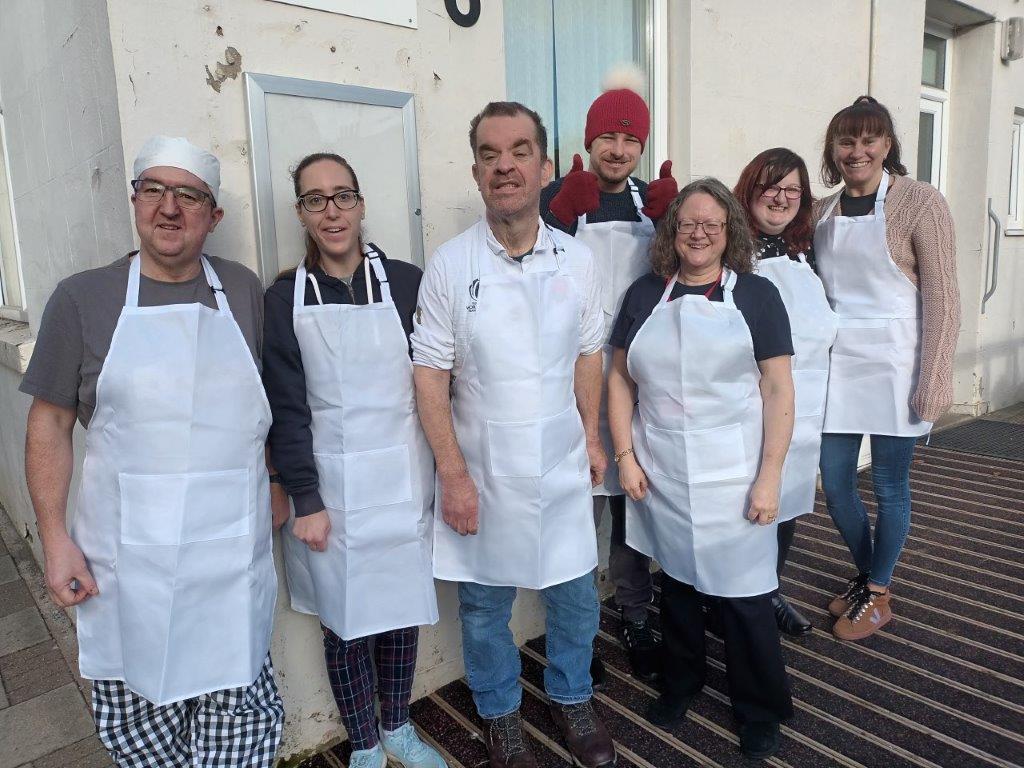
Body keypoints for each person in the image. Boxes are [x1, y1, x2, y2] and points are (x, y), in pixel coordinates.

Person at [21, 136, 283, 766]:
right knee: (142, 720)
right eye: (153, 190)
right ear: (134, 202)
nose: (169, 208)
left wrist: (276, 480)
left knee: (239, 715)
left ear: (213, 216)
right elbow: (49, 425)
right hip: (129, 565)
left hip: (229, 559)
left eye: (189, 195)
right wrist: (55, 538)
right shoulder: (82, 298)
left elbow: (264, 409)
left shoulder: (243, 291)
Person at [412, 102, 616, 768]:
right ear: (476, 170)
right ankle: (500, 713)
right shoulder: (449, 264)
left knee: (576, 597)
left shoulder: (579, 261)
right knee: (483, 606)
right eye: (491, 154)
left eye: (520, 151)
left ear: (544, 165)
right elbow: (429, 374)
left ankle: (572, 696)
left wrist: (591, 437)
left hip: (558, 461)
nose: (506, 166)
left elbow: (590, 354)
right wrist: (453, 475)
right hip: (484, 470)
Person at [262, 152, 445, 768]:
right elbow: (285, 408)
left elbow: (437, 381)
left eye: (343, 196)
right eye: (316, 199)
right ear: (301, 213)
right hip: (330, 494)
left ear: (361, 204)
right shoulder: (285, 297)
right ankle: (364, 744)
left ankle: (397, 727)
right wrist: (304, 499)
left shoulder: (407, 282)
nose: (332, 211)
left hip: (404, 481)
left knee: (398, 615)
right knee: (343, 625)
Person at [607, 178, 795, 760]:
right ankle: (682, 682)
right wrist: (625, 458)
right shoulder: (644, 295)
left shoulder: (758, 297)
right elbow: (619, 378)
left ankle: (761, 708)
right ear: (672, 230)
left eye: (712, 224)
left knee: (743, 599)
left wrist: (770, 477)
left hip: (736, 478)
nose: (698, 233)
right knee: (680, 587)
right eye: (688, 222)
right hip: (663, 472)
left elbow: (779, 390)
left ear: (729, 232)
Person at [540, 69, 677, 684]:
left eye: (630, 140)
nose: (618, 150)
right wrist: (560, 220)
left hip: (639, 380)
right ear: (589, 141)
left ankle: (636, 612)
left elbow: (681, 278)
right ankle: (577, 626)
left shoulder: (656, 203)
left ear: (641, 148)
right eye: (607, 138)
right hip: (572, 379)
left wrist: (671, 228)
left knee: (631, 510)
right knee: (577, 513)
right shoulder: (559, 198)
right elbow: (537, 278)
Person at [813, 96, 960, 641]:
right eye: (846, 141)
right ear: (834, 149)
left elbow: (944, 295)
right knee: (834, 480)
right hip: (839, 362)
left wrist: (935, 375)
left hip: (901, 361)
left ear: (888, 145)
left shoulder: (920, 202)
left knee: (891, 487)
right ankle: (872, 574)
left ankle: (877, 592)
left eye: (869, 140)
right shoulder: (821, 211)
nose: (857, 151)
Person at [734, 148, 838, 637]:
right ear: (750, 189)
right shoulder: (731, 250)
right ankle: (736, 600)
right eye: (770, 186)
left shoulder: (806, 251)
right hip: (752, 403)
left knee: (789, 502)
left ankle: (771, 590)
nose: (779, 198)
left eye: (791, 189)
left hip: (807, 403)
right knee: (745, 506)